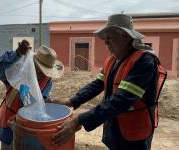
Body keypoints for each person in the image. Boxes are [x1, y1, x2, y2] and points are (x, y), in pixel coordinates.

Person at [52, 14, 167, 150]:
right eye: (104, 39)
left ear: (126, 37)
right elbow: (97, 84)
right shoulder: (112, 60)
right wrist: (72, 101)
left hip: (135, 132)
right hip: (115, 128)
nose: (106, 43)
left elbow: (122, 99)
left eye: (110, 38)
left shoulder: (145, 61)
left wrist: (80, 119)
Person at [0, 40, 64, 150]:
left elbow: (39, 103)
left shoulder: (47, 81)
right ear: (33, 63)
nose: (40, 74)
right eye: (39, 69)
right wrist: (17, 54)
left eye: (45, 72)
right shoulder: (16, 72)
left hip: (30, 131)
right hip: (8, 128)